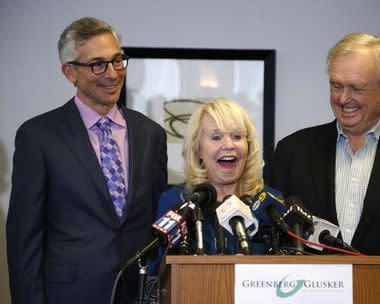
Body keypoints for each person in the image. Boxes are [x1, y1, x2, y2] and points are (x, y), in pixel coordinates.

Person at [267, 32, 380, 303]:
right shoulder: (292, 151)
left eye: (357, 88)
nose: (343, 98)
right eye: (336, 85)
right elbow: (272, 233)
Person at [6, 17, 167, 304]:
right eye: (98, 64)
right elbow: (24, 241)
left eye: (117, 60)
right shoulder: (38, 136)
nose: (112, 73)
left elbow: (157, 226)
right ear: (70, 72)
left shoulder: (151, 134)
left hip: (136, 294)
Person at [151, 98, 278, 272]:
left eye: (237, 136)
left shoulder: (269, 203)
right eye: (216, 137)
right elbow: (157, 273)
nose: (228, 145)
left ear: (248, 146)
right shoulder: (176, 202)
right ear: (198, 149)